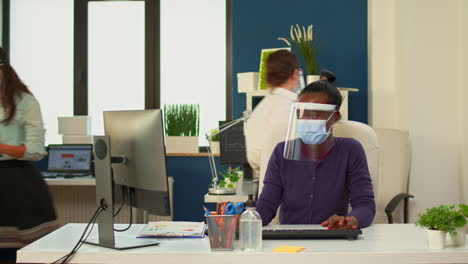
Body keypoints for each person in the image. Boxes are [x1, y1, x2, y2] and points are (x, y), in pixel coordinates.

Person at [256, 77, 375, 229]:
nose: (305, 120)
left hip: (331, 238)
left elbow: (365, 204)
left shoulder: (351, 151)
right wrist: (246, 221)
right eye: (301, 113)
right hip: (290, 241)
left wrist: (351, 220)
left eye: (314, 115)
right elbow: (266, 206)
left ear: (334, 117)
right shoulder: (282, 152)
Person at [0, 47, 58, 262]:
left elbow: (35, 150)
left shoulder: (25, 102)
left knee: (28, 254)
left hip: (16, 183)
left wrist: (2, 147)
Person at [244, 50, 304, 194]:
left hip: (265, 186)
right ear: (295, 74)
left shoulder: (260, 109)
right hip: (288, 188)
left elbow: (254, 157)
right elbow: (295, 155)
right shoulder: (290, 108)